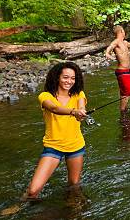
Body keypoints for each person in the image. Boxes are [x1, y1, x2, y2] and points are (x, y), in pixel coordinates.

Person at [24, 62, 87, 200]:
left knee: (73, 184)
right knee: (33, 191)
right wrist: (73, 111)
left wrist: (81, 112)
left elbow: (81, 106)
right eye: (65, 77)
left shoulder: (78, 94)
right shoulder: (45, 96)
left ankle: (72, 209)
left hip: (75, 146)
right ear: (57, 77)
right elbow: (54, 109)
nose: (69, 81)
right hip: (53, 146)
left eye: (73, 78)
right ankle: (19, 205)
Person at [105, 25, 130, 111]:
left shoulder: (125, 43)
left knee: (126, 93)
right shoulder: (117, 41)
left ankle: (124, 108)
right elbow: (110, 46)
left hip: (126, 71)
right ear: (122, 31)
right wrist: (107, 53)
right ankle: (123, 110)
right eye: (124, 31)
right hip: (122, 71)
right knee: (127, 93)